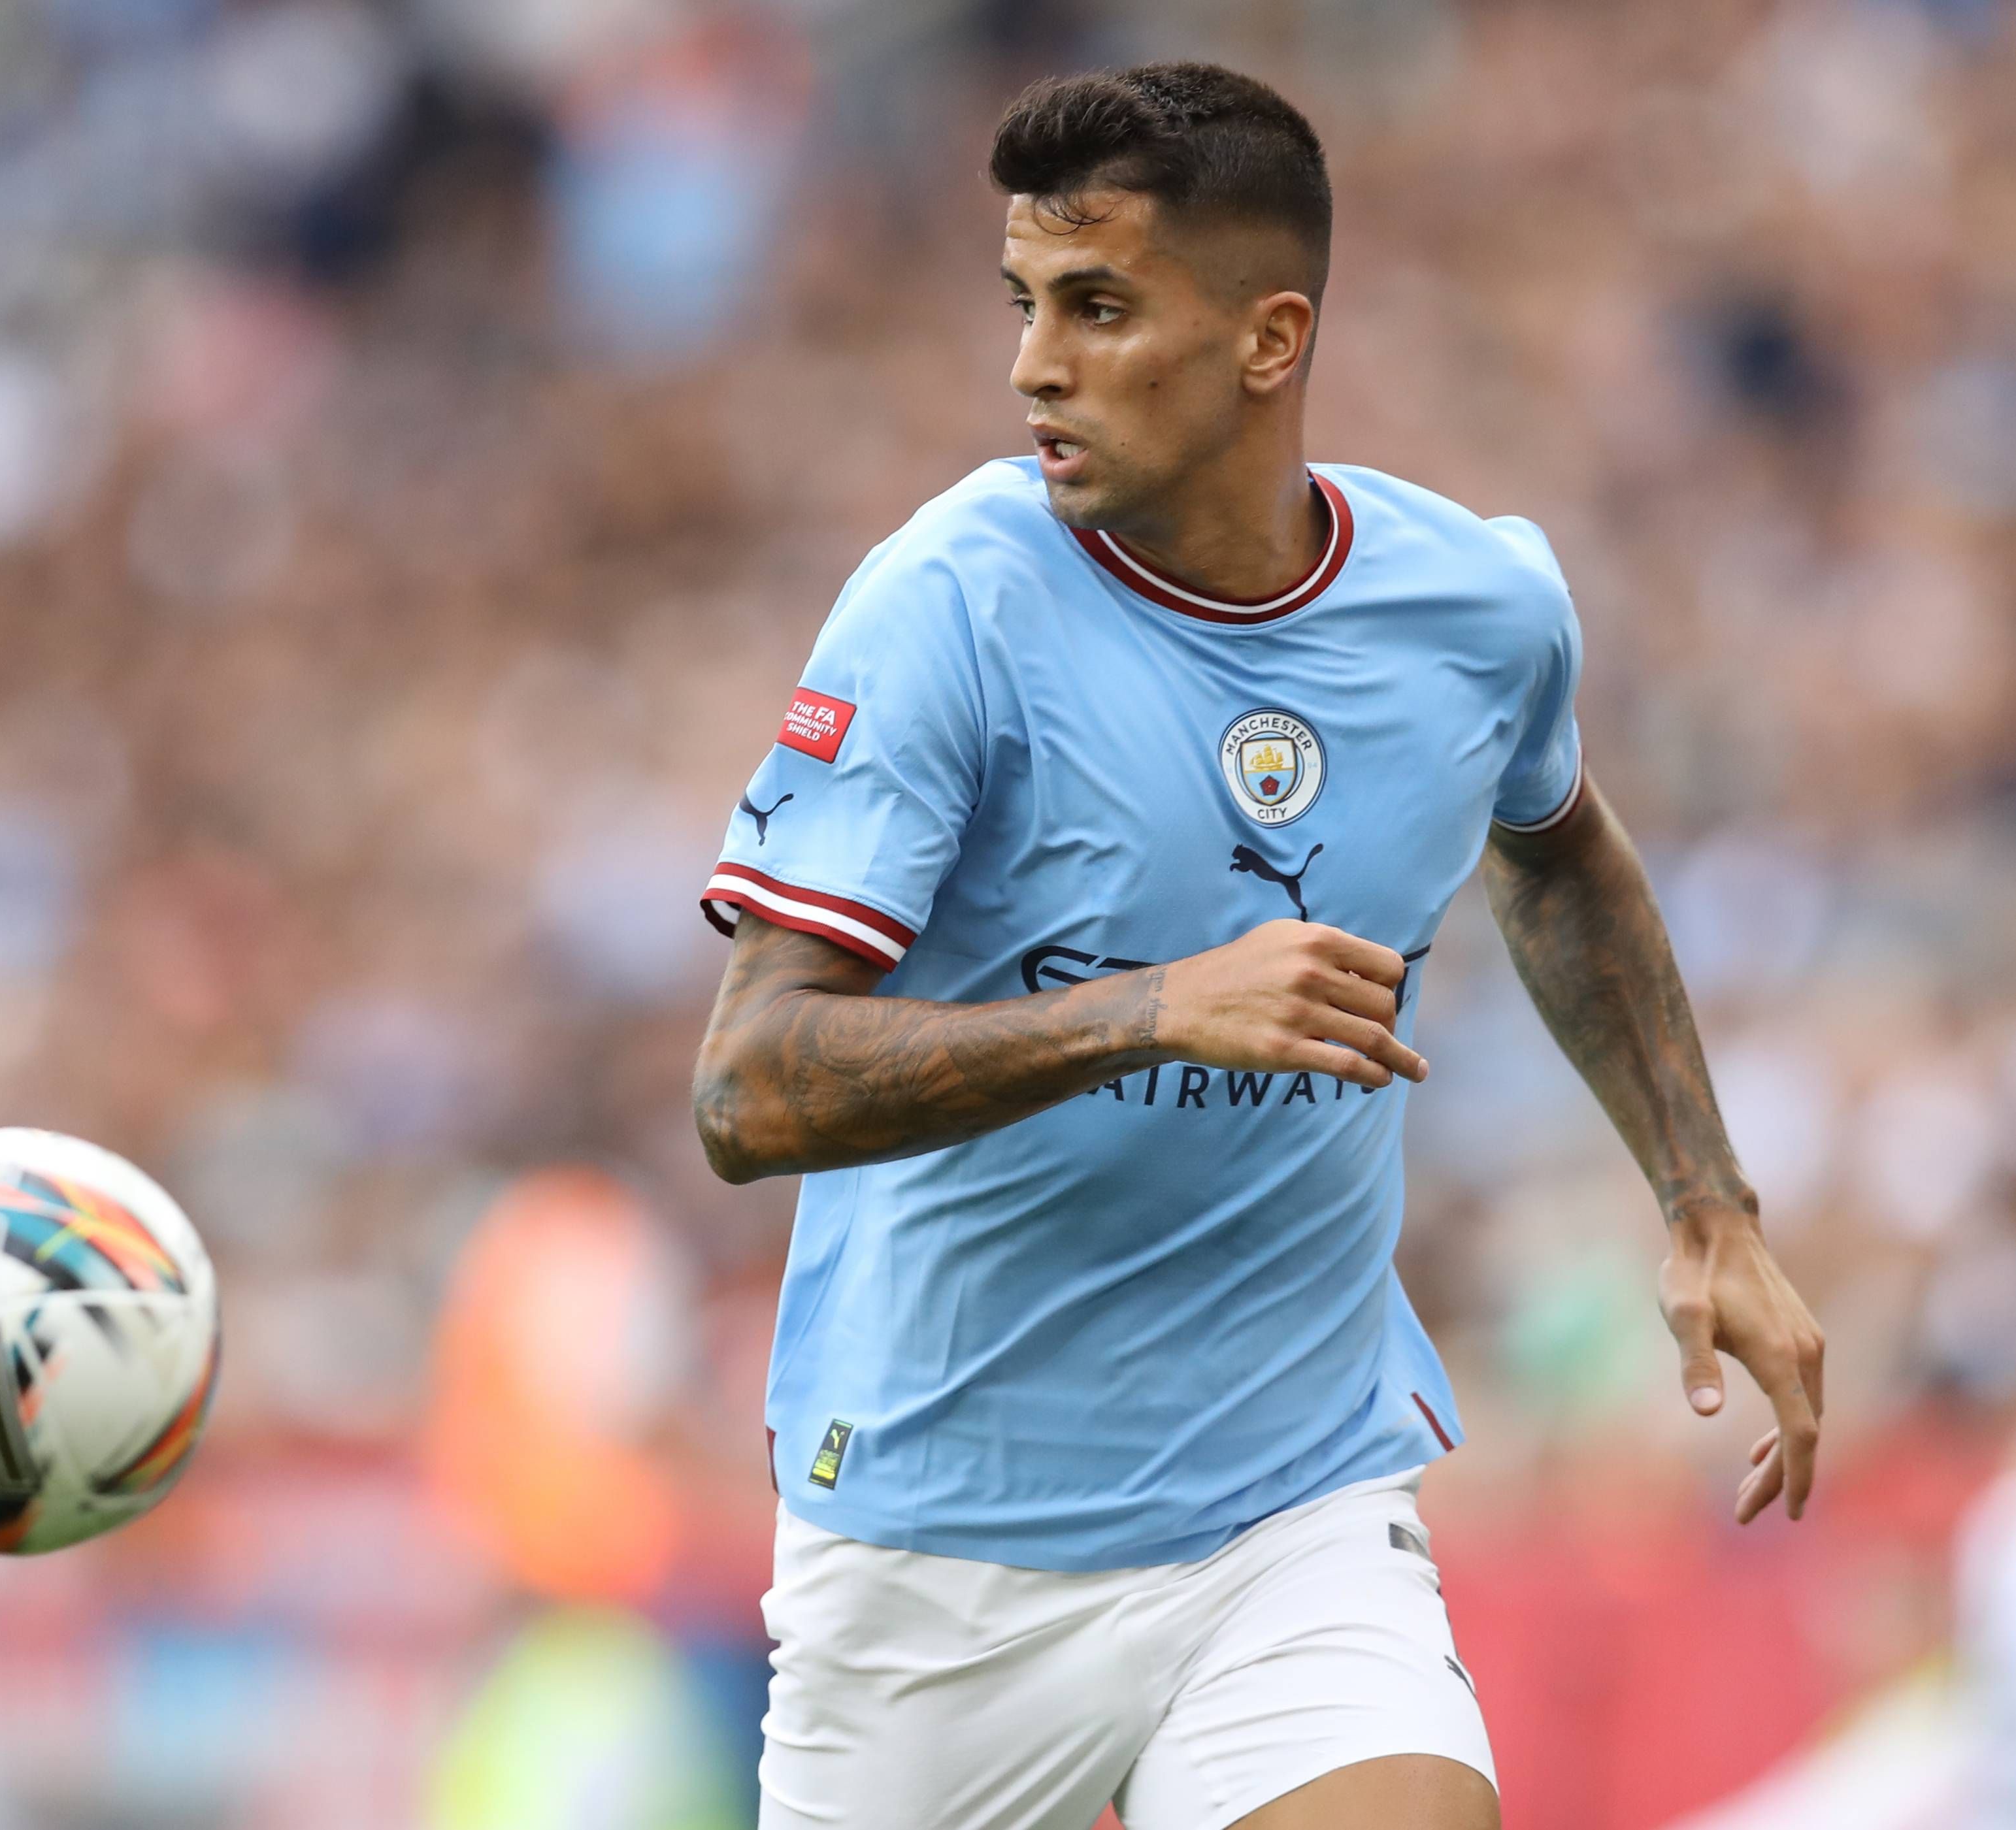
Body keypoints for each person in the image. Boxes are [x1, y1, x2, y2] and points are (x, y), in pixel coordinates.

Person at [690, 63, 1826, 1830]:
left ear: (1267, 340)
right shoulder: (945, 607)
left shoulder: (1475, 610)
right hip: (937, 1548)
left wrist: (1706, 1201)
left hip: (1289, 1512)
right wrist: (1147, 1011)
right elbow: (747, 1091)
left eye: (1097, 307)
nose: (1033, 365)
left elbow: (1558, 851)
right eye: (1023, 305)